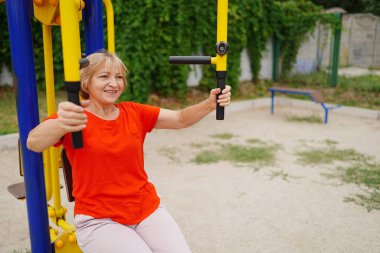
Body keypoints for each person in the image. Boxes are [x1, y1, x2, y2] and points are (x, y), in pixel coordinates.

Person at [27, 52, 231, 253]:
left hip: (145, 209)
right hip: (98, 220)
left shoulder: (133, 112)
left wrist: (210, 103)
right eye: (104, 76)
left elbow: (180, 119)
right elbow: (34, 142)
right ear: (86, 82)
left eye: (119, 77)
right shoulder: (75, 116)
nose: (114, 83)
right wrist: (62, 123)